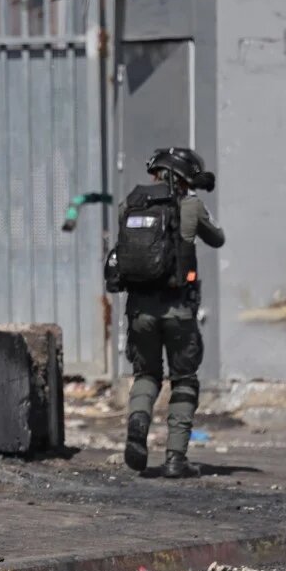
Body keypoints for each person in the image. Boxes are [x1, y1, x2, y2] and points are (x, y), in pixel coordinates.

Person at [109, 147, 224, 478]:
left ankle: (138, 422)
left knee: (146, 375)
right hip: (179, 310)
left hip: (139, 310)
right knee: (184, 379)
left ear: (155, 173)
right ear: (186, 178)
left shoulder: (128, 206)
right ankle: (175, 458)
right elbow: (217, 238)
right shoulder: (191, 206)